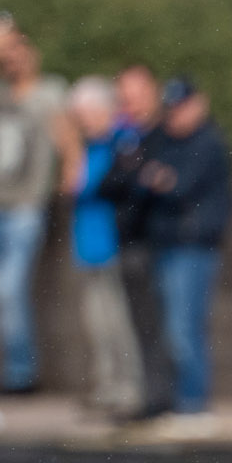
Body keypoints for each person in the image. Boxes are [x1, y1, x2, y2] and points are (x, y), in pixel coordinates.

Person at [0, 16, 65, 394]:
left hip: (25, 208)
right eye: (9, 57)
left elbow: (67, 140)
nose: (14, 61)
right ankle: (4, 373)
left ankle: (22, 373)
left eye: (20, 53)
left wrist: (68, 180)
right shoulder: (2, 95)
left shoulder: (50, 92)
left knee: (8, 291)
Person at [140, 76, 232, 436]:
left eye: (181, 107)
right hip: (168, 246)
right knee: (173, 329)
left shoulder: (208, 143)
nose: (175, 115)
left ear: (199, 103)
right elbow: (147, 178)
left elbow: (178, 186)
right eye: (171, 108)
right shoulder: (165, 142)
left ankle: (194, 403)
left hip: (194, 247)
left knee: (185, 327)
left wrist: (161, 180)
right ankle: (184, 401)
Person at [60, 77, 143, 423]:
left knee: (118, 321)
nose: (83, 121)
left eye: (87, 113)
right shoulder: (88, 147)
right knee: (96, 322)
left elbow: (104, 186)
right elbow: (70, 187)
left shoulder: (122, 141)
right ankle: (107, 385)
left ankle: (130, 387)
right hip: (88, 247)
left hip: (114, 245)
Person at [104, 64, 170, 416]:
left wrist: (135, 179)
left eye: (138, 96)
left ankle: (164, 400)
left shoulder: (164, 136)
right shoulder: (125, 140)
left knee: (163, 327)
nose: (131, 104)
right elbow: (108, 184)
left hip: (157, 245)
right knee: (139, 327)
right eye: (125, 97)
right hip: (128, 244)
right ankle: (150, 398)